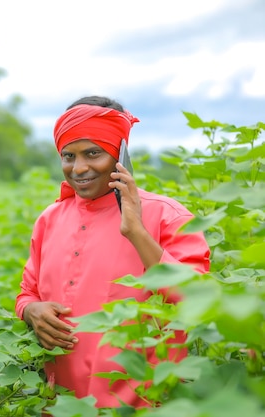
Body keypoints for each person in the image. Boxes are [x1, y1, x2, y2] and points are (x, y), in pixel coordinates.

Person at [15, 96, 210, 408]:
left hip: (143, 405)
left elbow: (200, 301)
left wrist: (136, 231)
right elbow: (27, 293)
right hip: (61, 406)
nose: (79, 168)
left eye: (93, 153)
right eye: (68, 156)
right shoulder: (49, 220)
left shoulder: (168, 216)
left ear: (120, 154)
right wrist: (30, 310)